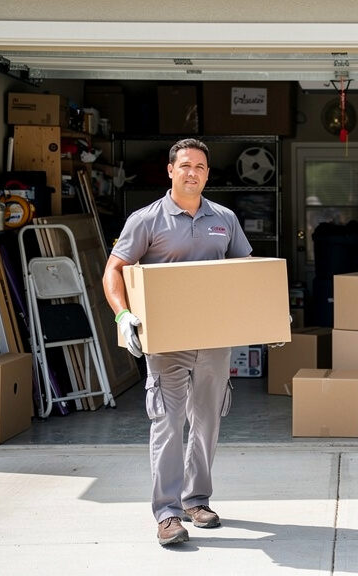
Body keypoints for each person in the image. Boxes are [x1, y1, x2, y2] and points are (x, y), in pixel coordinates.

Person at [102, 138, 252, 545]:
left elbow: (247, 272)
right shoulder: (145, 220)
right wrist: (123, 315)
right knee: (168, 423)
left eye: (200, 167)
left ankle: (196, 500)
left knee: (207, 421)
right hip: (167, 341)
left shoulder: (224, 218)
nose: (192, 172)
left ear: (207, 173)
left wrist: (264, 312)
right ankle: (167, 513)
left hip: (214, 338)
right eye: (185, 165)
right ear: (170, 170)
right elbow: (114, 270)